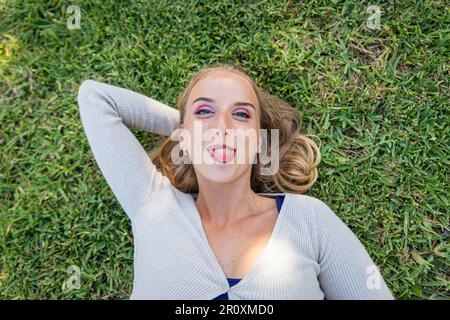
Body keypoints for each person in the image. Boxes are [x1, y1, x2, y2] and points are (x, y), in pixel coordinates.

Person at [77, 63, 394, 300]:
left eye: (241, 115)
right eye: (205, 111)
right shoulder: (152, 204)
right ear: (181, 138)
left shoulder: (309, 219)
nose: (223, 125)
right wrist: (190, 131)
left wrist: (198, 128)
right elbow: (95, 98)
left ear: (261, 141)